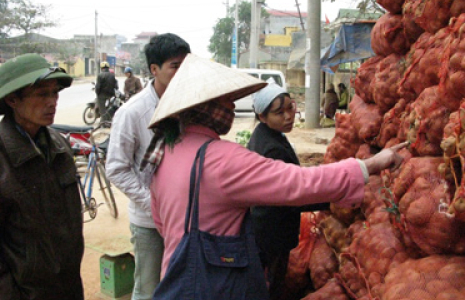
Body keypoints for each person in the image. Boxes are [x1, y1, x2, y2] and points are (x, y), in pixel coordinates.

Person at [142, 53, 406, 299]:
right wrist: (369, 165)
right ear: (205, 107)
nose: (232, 107)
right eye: (226, 100)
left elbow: (161, 221)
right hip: (216, 284)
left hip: (177, 278)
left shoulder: (167, 151)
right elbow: (299, 183)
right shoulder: (222, 159)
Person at [106, 33, 191, 300]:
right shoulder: (132, 113)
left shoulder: (191, 105)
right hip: (148, 223)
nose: (182, 71)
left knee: (180, 284)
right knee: (148, 288)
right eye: (175, 66)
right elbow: (117, 169)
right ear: (154, 69)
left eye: (185, 65)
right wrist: (152, 204)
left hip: (184, 218)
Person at [0, 54, 84, 299]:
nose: (52, 102)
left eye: (55, 93)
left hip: (68, 287)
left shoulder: (59, 146)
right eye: (42, 94)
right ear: (13, 99)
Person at [247, 82, 331, 299]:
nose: (288, 116)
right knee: (272, 284)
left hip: (266, 227)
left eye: (290, 107)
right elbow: (292, 193)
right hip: (272, 231)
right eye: (279, 112)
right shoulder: (272, 147)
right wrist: (331, 200)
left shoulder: (266, 135)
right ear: (262, 117)